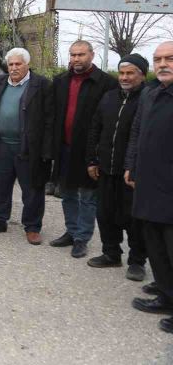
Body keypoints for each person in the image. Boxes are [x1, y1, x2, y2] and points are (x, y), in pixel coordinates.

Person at [50, 40, 118, 258]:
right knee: (67, 193)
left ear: (92, 55)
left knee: (88, 196)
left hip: (89, 150)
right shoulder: (61, 80)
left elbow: (109, 121)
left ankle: (82, 238)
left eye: (81, 54)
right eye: (73, 55)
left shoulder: (107, 83)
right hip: (64, 147)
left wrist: (97, 154)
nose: (76, 59)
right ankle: (71, 232)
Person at [0, 48, 53, 245]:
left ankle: (32, 227)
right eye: (10, 64)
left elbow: (49, 120)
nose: (13, 68)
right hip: (2, 145)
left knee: (32, 190)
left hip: (28, 148)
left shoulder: (41, 85)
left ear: (27, 64)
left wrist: (46, 150)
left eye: (18, 64)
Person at [125, 41, 173, 334]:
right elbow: (137, 131)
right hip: (148, 184)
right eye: (158, 59)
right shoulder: (151, 94)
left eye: (170, 58)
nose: (162, 64)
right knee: (156, 245)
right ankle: (166, 296)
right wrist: (131, 164)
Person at [86, 53, 148, 281]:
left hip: (131, 173)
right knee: (105, 214)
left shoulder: (148, 99)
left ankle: (137, 262)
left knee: (133, 219)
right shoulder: (109, 97)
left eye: (130, 73)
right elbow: (95, 129)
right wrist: (92, 160)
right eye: (122, 73)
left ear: (142, 75)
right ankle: (111, 253)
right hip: (106, 169)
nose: (124, 77)